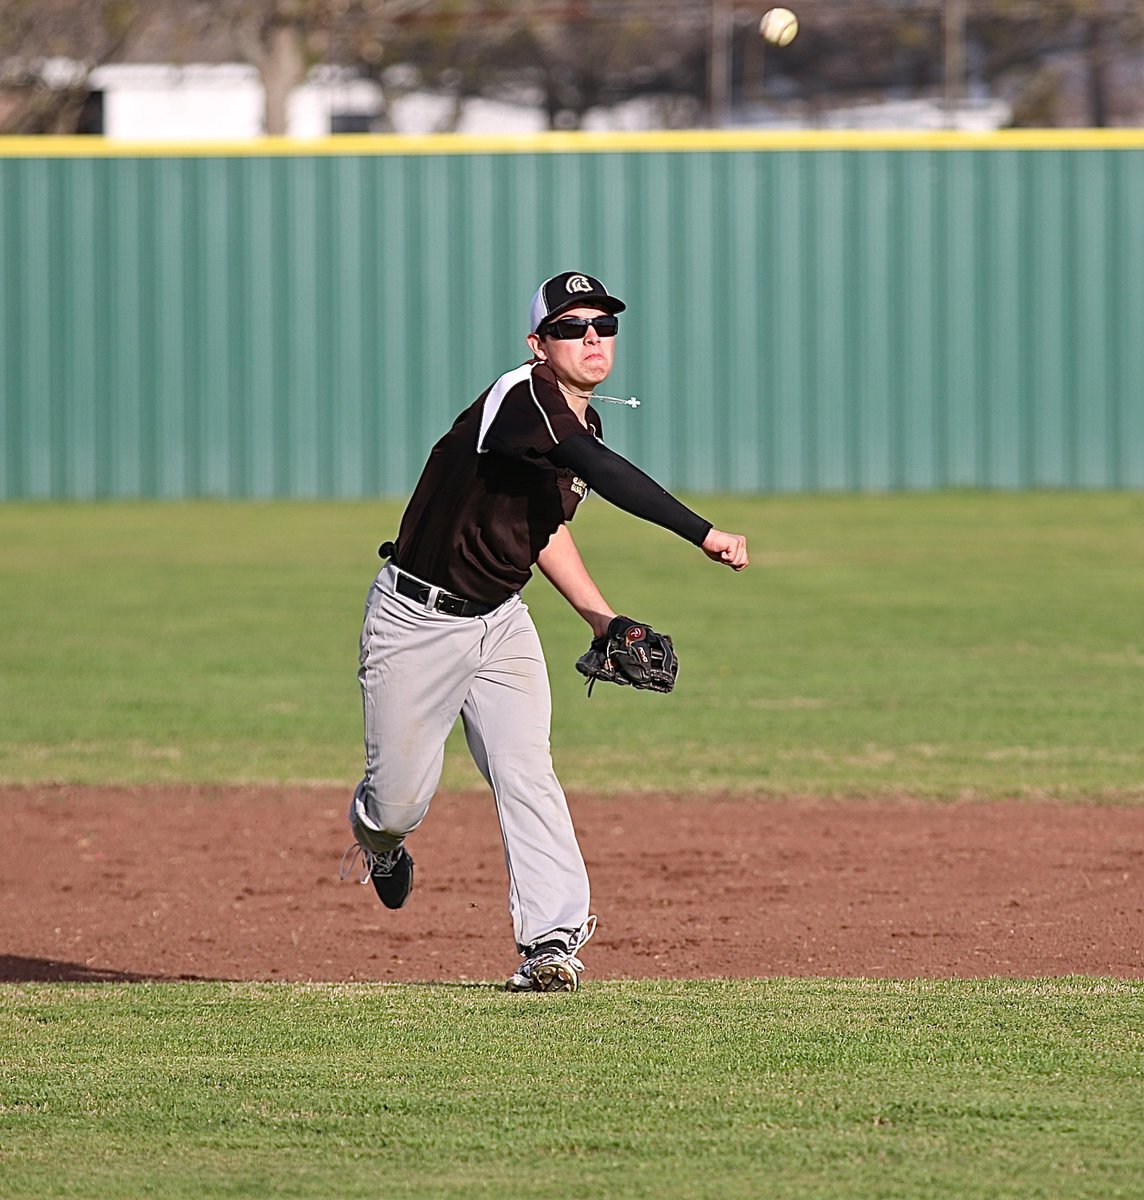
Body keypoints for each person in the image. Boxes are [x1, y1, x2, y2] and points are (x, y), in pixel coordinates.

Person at [341, 271, 749, 993]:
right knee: (398, 801)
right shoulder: (522, 397)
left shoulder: (580, 425)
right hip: (415, 619)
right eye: (570, 326)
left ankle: (551, 943)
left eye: (603, 325)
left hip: (501, 623)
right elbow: (601, 470)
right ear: (539, 344)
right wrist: (701, 532)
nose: (592, 337)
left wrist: (603, 617)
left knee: (527, 772)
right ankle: (380, 842)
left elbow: (545, 530)